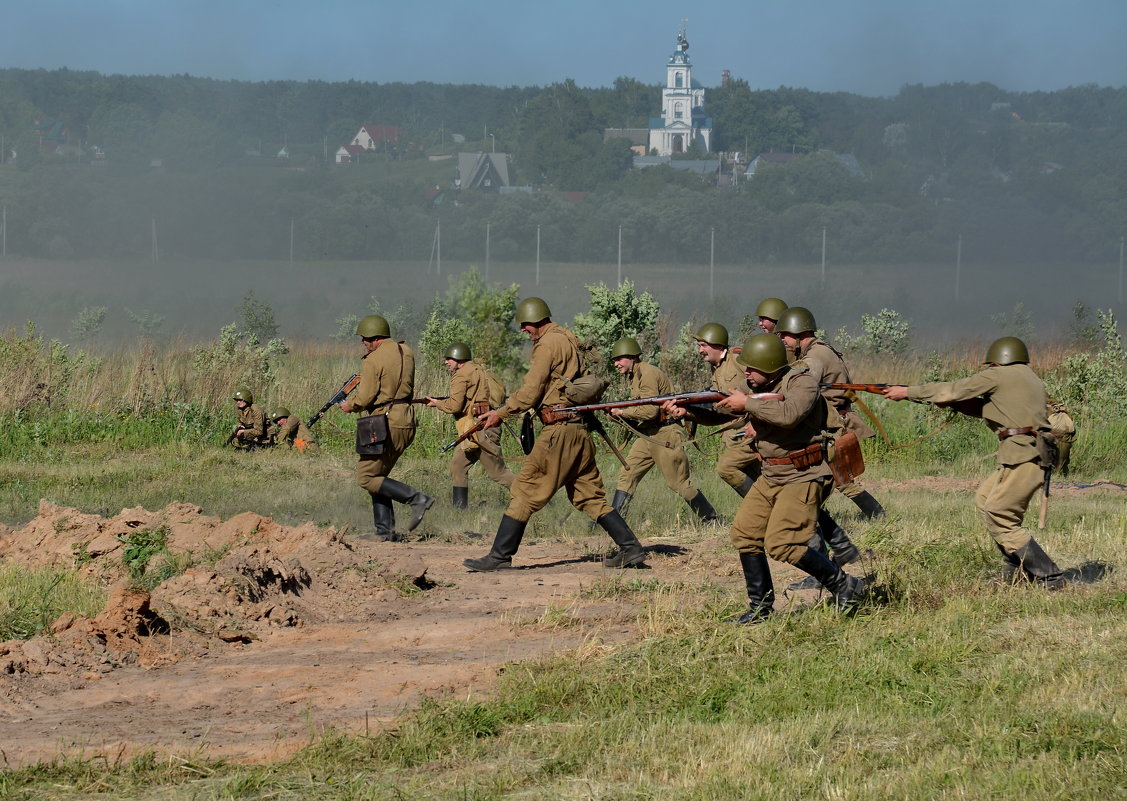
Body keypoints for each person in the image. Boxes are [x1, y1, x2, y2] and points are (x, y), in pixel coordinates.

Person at [665, 334, 870, 621]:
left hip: (804, 474)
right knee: (745, 535)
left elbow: (789, 414)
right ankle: (760, 608)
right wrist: (689, 412)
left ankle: (845, 585)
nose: (746, 372)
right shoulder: (750, 386)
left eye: (751, 367)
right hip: (772, 474)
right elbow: (722, 411)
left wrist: (746, 404)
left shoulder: (802, 383)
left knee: (783, 543)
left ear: (771, 366)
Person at [463, 297, 648, 572]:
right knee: (589, 496)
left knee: (525, 489)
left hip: (559, 431)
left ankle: (499, 556)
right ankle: (631, 548)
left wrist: (499, 413)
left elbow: (530, 391)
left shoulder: (547, 344)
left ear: (536, 321)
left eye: (525, 325)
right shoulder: (568, 338)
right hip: (579, 431)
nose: (523, 330)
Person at [882, 337, 1065, 587]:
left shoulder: (999, 375)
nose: (988, 368)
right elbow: (989, 409)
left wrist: (907, 392)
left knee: (999, 513)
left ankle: (1049, 575)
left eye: (990, 364)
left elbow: (954, 389)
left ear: (997, 361)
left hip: (1023, 455)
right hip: (1024, 454)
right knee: (984, 501)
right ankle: (1016, 567)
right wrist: (953, 404)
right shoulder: (1027, 377)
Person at [606, 336, 721, 524]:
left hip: (665, 433)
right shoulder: (634, 376)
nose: (616, 364)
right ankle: (615, 523)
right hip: (648, 434)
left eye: (619, 359)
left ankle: (712, 519)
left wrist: (622, 412)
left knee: (678, 484)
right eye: (614, 360)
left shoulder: (648, 373)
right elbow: (641, 411)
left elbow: (650, 411)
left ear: (632, 357)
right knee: (628, 475)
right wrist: (617, 415)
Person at [339, 314, 433, 541]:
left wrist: (349, 405)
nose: (363, 342)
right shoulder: (407, 351)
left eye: (365, 338)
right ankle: (385, 532)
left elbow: (365, 398)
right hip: (407, 419)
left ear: (375, 337)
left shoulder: (372, 359)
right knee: (378, 476)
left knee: (366, 477)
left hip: (385, 420)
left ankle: (417, 499)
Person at [427, 341, 515, 509]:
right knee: (458, 466)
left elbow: (455, 406)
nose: (446, 362)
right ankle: (459, 511)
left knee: (498, 473)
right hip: (478, 428)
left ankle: (533, 498)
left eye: (449, 359)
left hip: (480, 430)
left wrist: (437, 403)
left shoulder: (461, 375)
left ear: (458, 359)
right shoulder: (478, 369)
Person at [693, 322, 761, 497]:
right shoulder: (716, 368)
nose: (700, 351)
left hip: (753, 432)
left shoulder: (738, 359)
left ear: (718, 344)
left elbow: (761, 385)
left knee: (728, 468)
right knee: (764, 481)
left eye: (703, 346)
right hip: (736, 436)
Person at [1046, 399, 1076, 477]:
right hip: (1065, 439)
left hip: (1054, 439)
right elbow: (1072, 430)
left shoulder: (1046, 412)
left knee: (1054, 461)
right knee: (1063, 462)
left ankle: (1058, 477)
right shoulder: (1066, 414)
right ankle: (1062, 476)